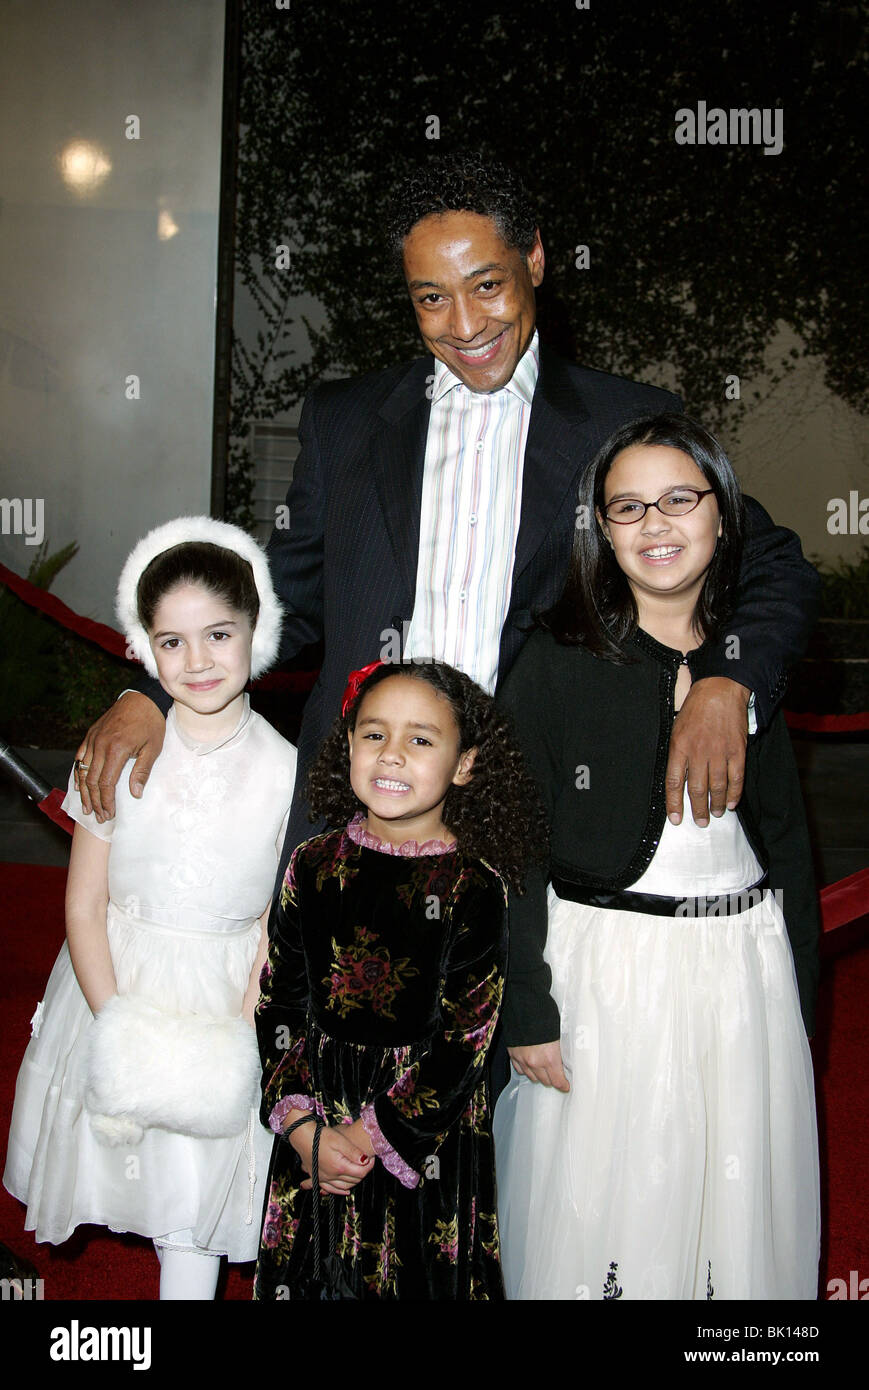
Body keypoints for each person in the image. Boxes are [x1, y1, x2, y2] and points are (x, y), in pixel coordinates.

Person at [71, 153, 820, 896]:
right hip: (359, 808)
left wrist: (725, 681)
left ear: (533, 258)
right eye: (430, 298)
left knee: (523, 1019)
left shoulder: (622, 420)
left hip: (541, 813)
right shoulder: (345, 422)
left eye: (486, 285)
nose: (463, 325)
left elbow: (769, 561)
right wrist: (153, 694)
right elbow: (279, 604)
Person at [492, 414, 820, 1300]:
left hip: (740, 967)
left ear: (722, 515)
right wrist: (526, 999)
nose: (656, 525)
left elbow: (786, 839)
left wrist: (801, 985)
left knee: (730, 1205)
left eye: (680, 499)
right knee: (613, 1204)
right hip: (605, 971)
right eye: (627, 507)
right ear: (600, 528)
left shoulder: (751, 669)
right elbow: (512, 839)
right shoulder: (554, 662)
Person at [3, 518, 298, 1300]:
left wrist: (240, 1028)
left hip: (225, 996)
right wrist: (118, 1025)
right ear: (144, 646)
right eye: (172, 642)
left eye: (217, 635)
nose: (196, 662)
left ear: (256, 633)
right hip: (115, 984)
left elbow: (277, 920)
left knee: (194, 1199)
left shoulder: (286, 771)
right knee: (127, 1163)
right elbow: (84, 901)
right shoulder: (117, 750)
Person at [253, 659, 545, 1300]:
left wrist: (365, 1138)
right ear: (348, 745)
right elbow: (280, 1002)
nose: (391, 755)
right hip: (319, 1110)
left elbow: (465, 1040)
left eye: (420, 739)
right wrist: (304, 1128)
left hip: (420, 1135)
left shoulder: (475, 888)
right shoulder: (312, 863)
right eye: (373, 733)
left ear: (464, 765)